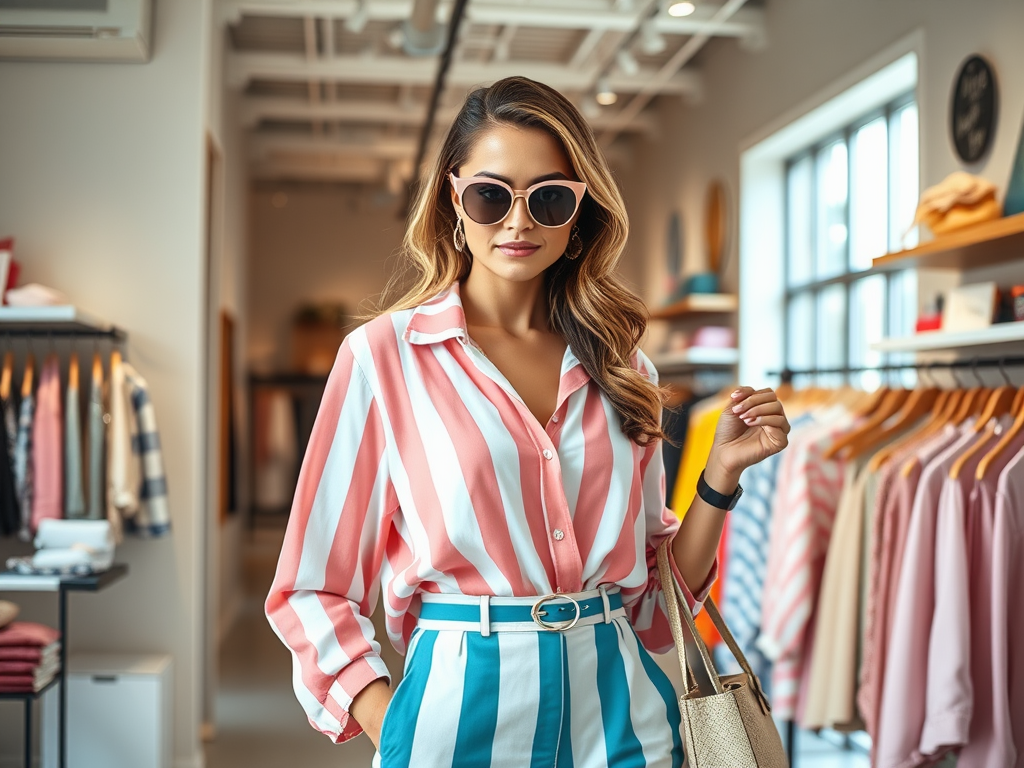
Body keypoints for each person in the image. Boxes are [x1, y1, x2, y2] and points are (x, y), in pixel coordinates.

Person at [265, 76, 791, 768]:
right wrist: (392, 722)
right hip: (459, 714)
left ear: (579, 214)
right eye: (491, 195)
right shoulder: (383, 358)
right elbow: (311, 585)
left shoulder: (623, 366)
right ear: (455, 198)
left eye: (548, 199)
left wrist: (718, 476)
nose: (518, 223)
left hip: (623, 718)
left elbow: (656, 605)